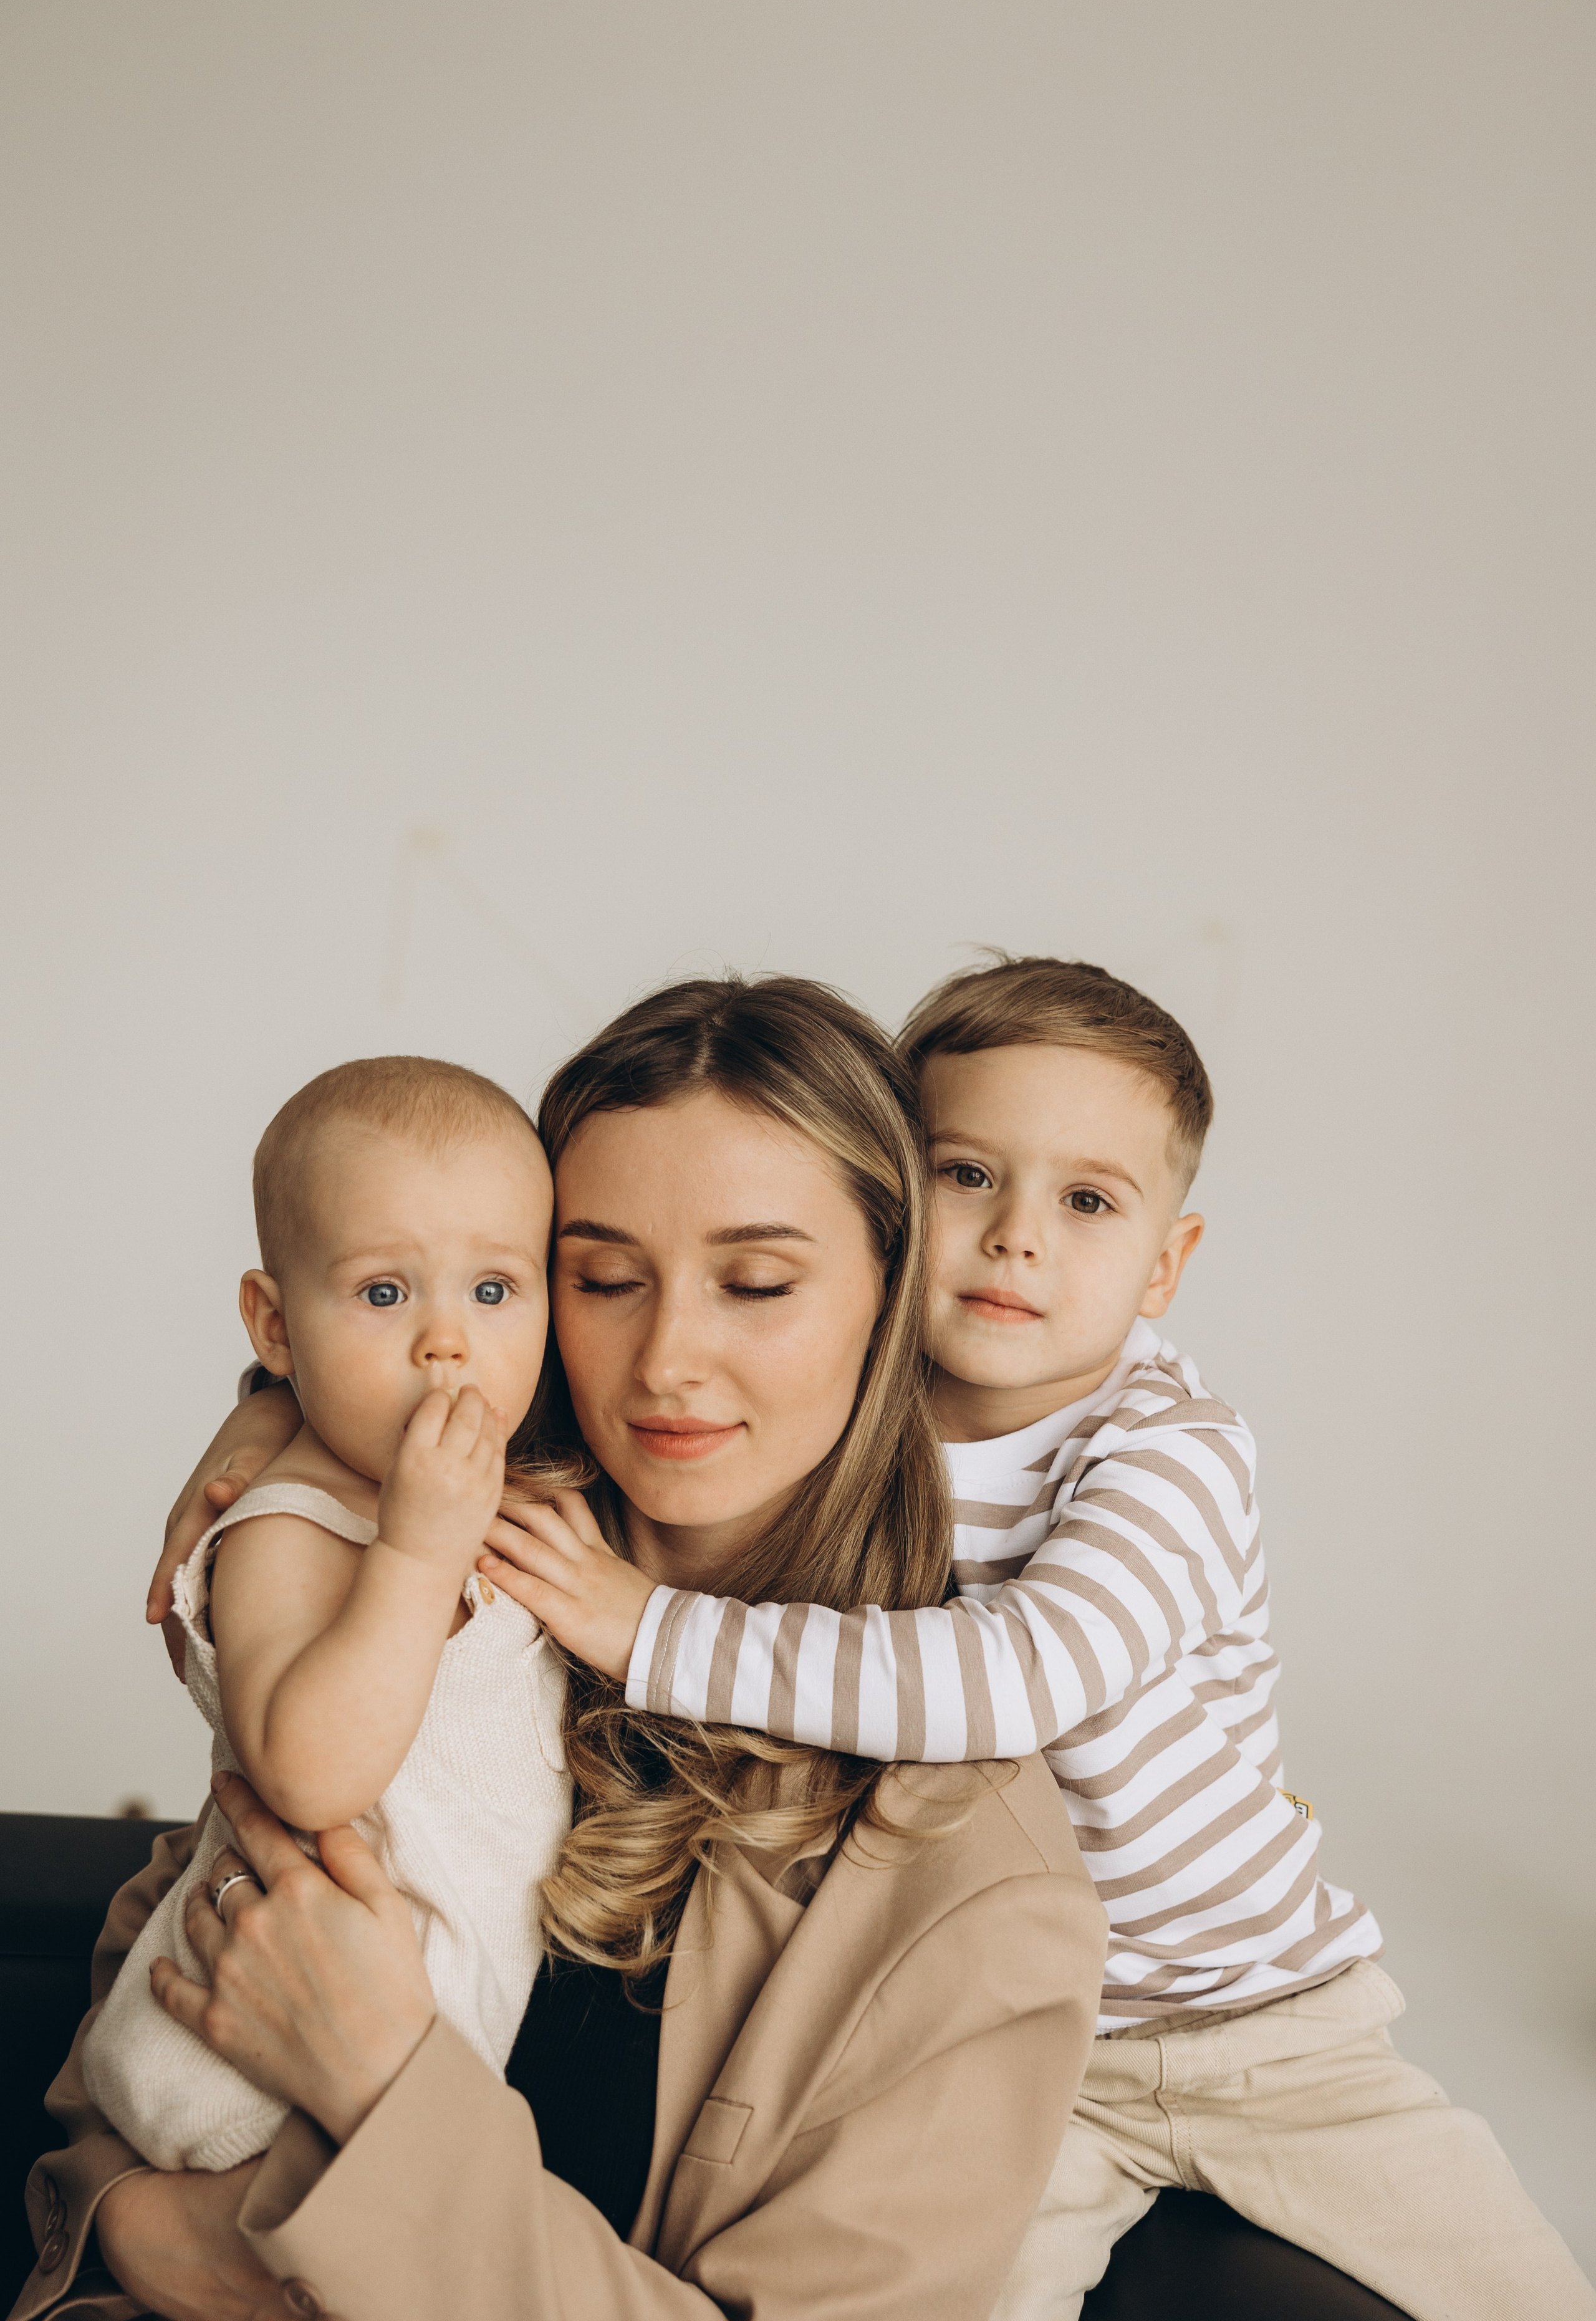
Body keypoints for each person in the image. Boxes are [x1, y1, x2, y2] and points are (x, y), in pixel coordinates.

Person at [473, 956, 1595, 2321]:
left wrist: (646, 1629)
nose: (1016, 1238)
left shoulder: (1169, 1452)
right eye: (967, 1176)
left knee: (1515, 2292)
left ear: (1166, 1263)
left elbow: (1016, 1682)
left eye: (1086, 1201)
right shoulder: (860, 1415)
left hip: (1260, 2020)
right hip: (1026, 2050)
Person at [13, 976, 1107, 2321]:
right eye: (602, 1279)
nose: (665, 1360)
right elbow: (180, 1947)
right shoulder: (453, 1576)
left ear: (892, 1302)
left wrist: (380, 2087)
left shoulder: (972, 1876)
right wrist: (124, 2217)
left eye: (756, 1282)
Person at [80, 1056, 572, 2174]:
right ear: (275, 1326)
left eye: (495, 1291)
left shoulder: (510, 1477)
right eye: (384, 1293)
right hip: (256, 2080)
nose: (447, 1342)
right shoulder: (285, 1525)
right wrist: (416, 1553)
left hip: (410, 2059)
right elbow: (307, 1773)